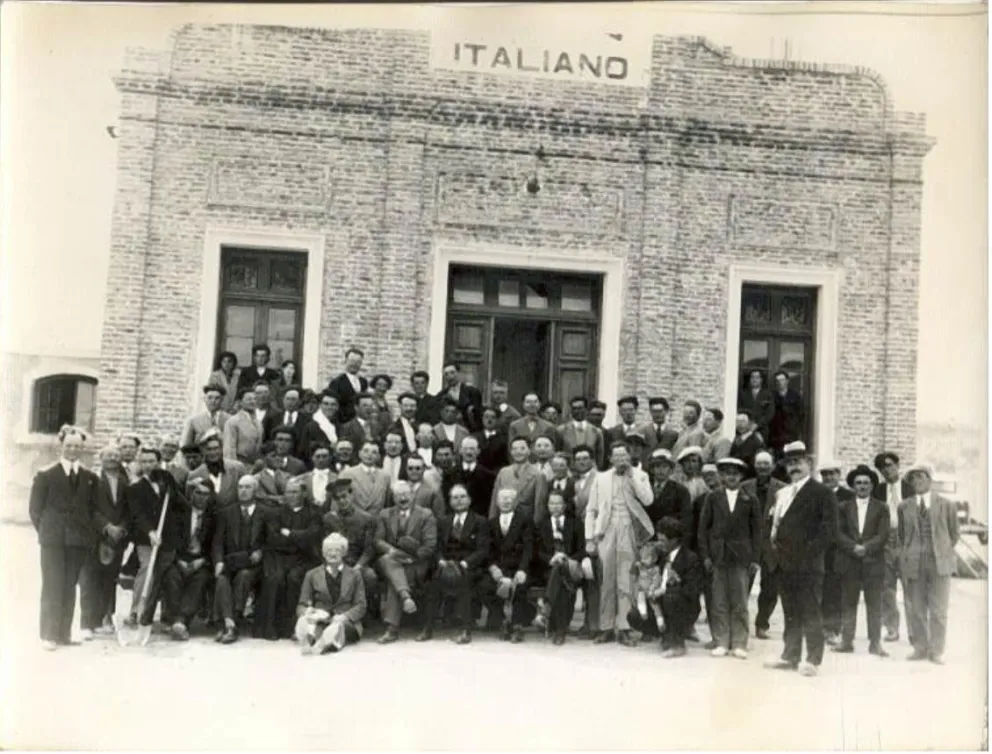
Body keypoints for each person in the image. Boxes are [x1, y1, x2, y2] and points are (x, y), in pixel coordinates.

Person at [764, 441, 838, 678]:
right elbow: (775, 525)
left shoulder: (822, 493)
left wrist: (807, 555)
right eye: (789, 464)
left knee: (810, 612)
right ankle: (790, 655)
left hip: (807, 566)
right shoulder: (783, 493)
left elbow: (828, 531)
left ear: (809, 463)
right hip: (783, 564)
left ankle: (813, 659)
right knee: (790, 612)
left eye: (798, 462)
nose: (793, 467)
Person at [29, 425, 99, 650]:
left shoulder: (89, 477)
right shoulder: (46, 474)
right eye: (69, 445)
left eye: (77, 446)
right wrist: (48, 532)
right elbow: (35, 510)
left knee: (69, 585)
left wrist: (84, 534)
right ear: (61, 445)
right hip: (53, 540)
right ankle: (49, 634)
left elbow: (92, 510)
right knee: (52, 585)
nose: (73, 450)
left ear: (83, 448)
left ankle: (63, 634)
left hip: (77, 541)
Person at [584, 440, 654, 646]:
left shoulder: (640, 475)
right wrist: (590, 538)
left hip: (629, 528)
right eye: (617, 456)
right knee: (606, 578)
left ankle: (624, 627)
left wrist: (632, 475)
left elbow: (648, 500)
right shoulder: (601, 478)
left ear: (629, 457)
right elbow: (591, 510)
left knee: (626, 578)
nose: (621, 459)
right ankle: (606, 627)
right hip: (606, 530)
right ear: (610, 459)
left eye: (624, 455)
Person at [698, 457, 761, 659]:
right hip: (718, 556)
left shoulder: (750, 499)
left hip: (741, 557)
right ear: (721, 476)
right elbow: (703, 529)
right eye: (727, 473)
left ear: (741, 476)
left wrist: (755, 558)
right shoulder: (713, 497)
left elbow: (757, 532)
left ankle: (740, 642)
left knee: (740, 601)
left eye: (735, 474)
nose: (731, 477)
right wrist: (706, 556)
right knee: (719, 600)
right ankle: (721, 641)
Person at [898, 463, 959, 664]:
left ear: (930, 480)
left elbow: (954, 534)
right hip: (914, 563)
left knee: (938, 610)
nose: (917, 481)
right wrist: (909, 555)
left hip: (939, 563)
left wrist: (941, 551)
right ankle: (920, 648)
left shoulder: (946, 505)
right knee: (916, 609)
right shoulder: (904, 506)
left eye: (920, 477)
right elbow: (902, 536)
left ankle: (936, 650)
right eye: (913, 478)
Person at [417, 484, 490, 645]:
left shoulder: (480, 521)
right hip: (446, 565)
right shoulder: (443, 521)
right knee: (432, 584)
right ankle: (427, 628)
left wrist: (465, 563)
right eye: (455, 498)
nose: (459, 501)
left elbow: (482, 550)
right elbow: (436, 547)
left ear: (469, 500)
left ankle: (465, 629)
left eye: (463, 497)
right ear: (450, 501)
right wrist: (441, 561)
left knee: (464, 582)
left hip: (469, 566)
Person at [126, 447, 187, 628]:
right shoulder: (135, 488)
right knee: (147, 569)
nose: (148, 465)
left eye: (151, 461)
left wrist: (172, 488)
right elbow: (137, 514)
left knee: (166, 573)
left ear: (159, 462)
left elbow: (183, 506)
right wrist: (150, 532)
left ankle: (165, 615)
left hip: (168, 538)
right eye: (144, 461)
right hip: (146, 539)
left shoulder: (167, 485)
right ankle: (136, 611)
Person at [833, 464, 890, 656]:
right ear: (853, 486)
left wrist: (866, 548)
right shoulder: (842, 507)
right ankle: (846, 641)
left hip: (873, 562)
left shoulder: (881, 508)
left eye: (866, 483)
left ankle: (875, 643)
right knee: (848, 603)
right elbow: (838, 533)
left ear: (872, 486)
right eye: (858, 483)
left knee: (874, 605)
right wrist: (853, 547)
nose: (862, 486)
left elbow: (883, 534)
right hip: (849, 562)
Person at [256, 478, 322, 640]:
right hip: (278, 556)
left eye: (295, 492)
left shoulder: (313, 514)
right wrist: (298, 537)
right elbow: (274, 539)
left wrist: (289, 533)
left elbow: (312, 537)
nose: (290, 496)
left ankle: (292, 626)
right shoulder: (276, 513)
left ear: (303, 493)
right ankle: (270, 627)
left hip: (305, 557)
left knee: (294, 578)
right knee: (275, 578)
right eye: (288, 492)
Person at [375, 480, 438, 644]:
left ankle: (392, 629)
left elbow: (430, 546)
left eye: (405, 494)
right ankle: (405, 597)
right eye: (398, 495)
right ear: (393, 498)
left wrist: (412, 557)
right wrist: (392, 551)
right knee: (386, 559)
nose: (403, 498)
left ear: (413, 495)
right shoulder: (385, 514)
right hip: (393, 560)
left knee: (394, 579)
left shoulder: (426, 515)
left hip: (417, 563)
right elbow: (378, 541)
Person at [79, 443, 131, 638]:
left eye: (116, 455)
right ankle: (87, 623)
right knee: (90, 579)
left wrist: (121, 528)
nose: (112, 458)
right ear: (101, 458)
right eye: (108, 455)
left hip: (117, 539)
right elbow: (89, 508)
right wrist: (107, 526)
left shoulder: (125, 482)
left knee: (110, 579)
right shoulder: (92, 480)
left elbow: (128, 509)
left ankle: (104, 619)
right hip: (95, 537)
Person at [212, 475, 268, 644]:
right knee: (222, 579)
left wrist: (262, 552)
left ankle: (229, 622)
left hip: (253, 564)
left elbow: (272, 541)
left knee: (244, 575)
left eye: (247, 487)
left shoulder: (266, 512)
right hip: (230, 561)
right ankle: (230, 623)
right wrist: (218, 561)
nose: (243, 491)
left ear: (255, 490)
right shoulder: (227, 512)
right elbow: (217, 542)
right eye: (240, 487)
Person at [635, 517, 702, 657]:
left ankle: (677, 643)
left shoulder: (690, 558)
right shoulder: (659, 555)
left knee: (671, 596)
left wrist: (676, 581)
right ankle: (666, 634)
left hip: (684, 606)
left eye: (663, 540)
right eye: (658, 539)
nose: (659, 543)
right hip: (662, 604)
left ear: (674, 540)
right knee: (634, 614)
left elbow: (693, 591)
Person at [534, 490, 591, 645]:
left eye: (558, 503)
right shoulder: (541, 525)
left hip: (573, 566)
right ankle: (560, 630)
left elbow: (583, 549)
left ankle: (546, 610)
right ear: (547, 506)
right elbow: (536, 551)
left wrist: (567, 559)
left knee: (562, 570)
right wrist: (551, 559)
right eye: (552, 503)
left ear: (565, 505)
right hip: (549, 568)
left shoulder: (576, 523)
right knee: (560, 575)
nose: (555, 506)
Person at [296, 533, 367, 655]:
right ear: (323, 553)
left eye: (337, 550)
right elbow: (301, 604)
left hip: (346, 623)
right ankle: (311, 639)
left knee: (338, 627)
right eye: (329, 550)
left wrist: (344, 616)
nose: (333, 554)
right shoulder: (311, 575)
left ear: (344, 553)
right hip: (321, 621)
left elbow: (361, 606)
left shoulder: (355, 575)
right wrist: (307, 611)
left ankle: (324, 643)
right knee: (309, 623)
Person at [161, 479, 216, 641]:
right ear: (191, 494)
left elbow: (217, 544)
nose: (201, 497)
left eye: (206, 494)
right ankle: (177, 620)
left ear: (210, 497)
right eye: (198, 493)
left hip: (202, 560)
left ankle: (180, 621)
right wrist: (179, 560)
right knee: (172, 576)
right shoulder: (179, 514)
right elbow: (171, 540)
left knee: (200, 579)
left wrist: (203, 561)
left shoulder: (215, 517)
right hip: (180, 558)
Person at [742, 451, 786, 639]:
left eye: (766, 463)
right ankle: (740, 624)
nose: (762, 467)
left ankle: (762, 625)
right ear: (754, 465)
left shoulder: (783, 489)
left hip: (771, 544)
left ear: (773, 466)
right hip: (749, 543)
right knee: (743, 585)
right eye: (759, 463)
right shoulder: (744, 487)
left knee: (770, 587)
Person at [321, 478, 379, 619]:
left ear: (351, 495)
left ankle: (367, 613)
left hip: (358, 562)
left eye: (344, 496)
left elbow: (369, 549)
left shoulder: (367, 518)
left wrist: (359, 566)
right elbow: (324, 546)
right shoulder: (329, 519)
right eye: (337, 498)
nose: (342, 501)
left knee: (370, 576)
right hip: (336, 561)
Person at [483, 489, 536, 642]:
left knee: (520, 586)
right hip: (499, 568)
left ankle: (517, 625)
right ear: (497, 502)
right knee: (483, 586)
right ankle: (502, 621)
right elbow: (487, 549)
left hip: (518, 567)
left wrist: (523, 569)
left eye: (509, 499)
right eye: (503, 498)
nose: (506, 502)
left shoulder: (525, 521)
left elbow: (529, 548)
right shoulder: (491, 523)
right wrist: (493, 567)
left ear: (516, 502)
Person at [872, 451, 914, 643]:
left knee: (911, 587)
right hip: (885, 541)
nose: (886, 470)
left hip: (907, 541)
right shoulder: (878, 491)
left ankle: (915, 631)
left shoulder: (911, 488)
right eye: (882, 467)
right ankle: (891, 628)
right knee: (886, 587)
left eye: (889, 465)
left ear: (897, 465)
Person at [818, 460, 853, 647]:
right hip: (819, 549)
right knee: (819, 588)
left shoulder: (849, 496)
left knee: (836, 590)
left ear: (839, 475)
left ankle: (833, 629)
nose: (828, 477)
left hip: (840, 550)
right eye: (825, 474)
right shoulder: (816, 494)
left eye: (832, 474)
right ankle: (819, 627)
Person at [489, 437, 550, 523]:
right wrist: (491, 522)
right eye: (514, 449)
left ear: (529, 451)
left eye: (522, 448)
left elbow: (539, 505)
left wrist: (535, 526)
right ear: (510, 452)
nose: (518, 452)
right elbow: (495, 501)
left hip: (526, 523)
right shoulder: (503, 472)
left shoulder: (538, 475)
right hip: (504, 522)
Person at [187, 429, 248, 509]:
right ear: (203, 451)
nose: (213, 453)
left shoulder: (237, 469)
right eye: (209, 449)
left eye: (216, 448)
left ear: (221, 448)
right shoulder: (195, 474)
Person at [646, 448, 692, 549]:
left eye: (664, 466)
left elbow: (686, 519)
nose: (661, 470)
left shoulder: (681, 491)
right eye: (657, 466)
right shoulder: (644, 488)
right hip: (647, 539)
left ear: (671, 470)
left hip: (670, 541)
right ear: (652, 469)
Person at [625, 542, 665, 645]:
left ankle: (661, 628)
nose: (643, 560)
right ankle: (648, 631)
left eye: (647, 557)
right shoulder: (640, 566)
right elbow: (632, 575)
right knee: (640, 609)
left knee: (656, 608)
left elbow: (658, 581)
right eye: (643, 557)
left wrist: (653, 590)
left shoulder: (657, 569)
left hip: (654, 594)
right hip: (642, 593)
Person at [340, 440, 391, 517]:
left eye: (374, 452)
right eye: (366, 451)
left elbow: (387, 505)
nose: (369, 455)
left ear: (378, 456)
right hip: (354, 520)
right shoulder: (347, 474)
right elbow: (340, 502)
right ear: (360, 454)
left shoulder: (385, 476)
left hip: (377, 520)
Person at [557, 396, 605, 470]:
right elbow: (557, 452)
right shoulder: (561, 430)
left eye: (580, 408)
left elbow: (599, 456)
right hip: (569, 471)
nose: (577, 411)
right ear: (571, 411)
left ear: (586, 410)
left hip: (590, 471)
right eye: (574, 408)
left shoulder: (596, 431)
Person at [182, 385, 232, 453]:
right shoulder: (193, 421)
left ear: (222, 400)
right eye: (210, 397)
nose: (213, 401)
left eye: (217, 398)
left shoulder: (231, 420)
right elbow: (186, 447)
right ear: (204, 399)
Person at [298, 391, 343, 466]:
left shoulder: (340, 426)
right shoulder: (310, 426)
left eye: (333, 404)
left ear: (337, 407)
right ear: (320, 405)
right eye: (326, 404)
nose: (329, 407)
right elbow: (304, 451)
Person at [455, 436, 497, 518]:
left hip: (479, 519)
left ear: (478, 451)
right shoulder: (450, 474)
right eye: (465, 449)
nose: (468, 452)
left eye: (472, 449)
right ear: (460, 450)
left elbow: (489, 502)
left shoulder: (488, 476)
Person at [325, 347, 368, 424]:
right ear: (345, 361)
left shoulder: (363, 382)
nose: (354, 364)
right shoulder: (336, 382)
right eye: (352, 361)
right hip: (342, 423)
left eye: (358, 362)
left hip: (360, 423)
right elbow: (332, 406)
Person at [438, 362, 483, 432]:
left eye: (452, 372)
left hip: (469, 431)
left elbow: (477, 416)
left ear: (459, 373)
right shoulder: (441, 395)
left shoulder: (472, 392)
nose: (450, 377)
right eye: (446, 374)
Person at [223, 388, 264, 465]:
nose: (253, 402)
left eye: (254, 399)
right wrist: (233, 466)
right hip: (239, 463)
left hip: (254, 464)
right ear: (240, 402)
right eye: (249, 399)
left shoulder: (259, 423)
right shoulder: (233, 421)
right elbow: (229, 449)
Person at [768, 370, 804, 456]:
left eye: (782, 380)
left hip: (790, 433)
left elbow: (801, 414)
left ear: (787, 381)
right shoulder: (771, 396)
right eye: (777, 381)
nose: (780, 383)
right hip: (775, 434)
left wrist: (795, 428)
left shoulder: (795, 396)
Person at [737, 369, 774, 445]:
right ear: (750, 379)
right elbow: (739, 410)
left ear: (761, 380)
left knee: (759, 449)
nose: (754, 380)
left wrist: (758, 424)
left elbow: (770, 413)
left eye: (757, 377)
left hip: (762, 430)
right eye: (752, 377)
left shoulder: (768, 394)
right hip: (744, 428)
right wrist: (748, 424)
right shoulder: (743, 394)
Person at [252, 441, 292, 507]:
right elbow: (261, 497)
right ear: (264, 458)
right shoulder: (257, 478)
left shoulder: (288, 476)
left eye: (280, 455)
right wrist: (276, 498)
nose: (278, 458)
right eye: (273, 456)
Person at [642, 397, 679, 462]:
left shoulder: (674, 434)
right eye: (654, 411)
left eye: (660, 411)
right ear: (650, 412)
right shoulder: (643, 432)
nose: (657, 415)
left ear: (666, 411)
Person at [473, 405, 509, 472]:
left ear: (497, 420)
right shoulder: (474, 438)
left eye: (493, 417)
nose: (489, 420)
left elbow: (505, 461)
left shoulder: (504, 439)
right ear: (482, 419)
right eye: (486, 417)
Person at [729, 411, 763, 478]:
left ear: (751, 423)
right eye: (737, 421)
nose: (739, 424)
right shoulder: (737, 438)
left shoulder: (756, 441)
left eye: (743, 421)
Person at [390, 392, 421, 456]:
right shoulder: (392, 428)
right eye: (405, 406)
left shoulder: (420, 427)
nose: (409, 408)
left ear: (417, 408)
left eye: (412, 406)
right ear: (400, 407)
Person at [368, 374, 396, 441]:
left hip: (385, 438)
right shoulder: (369, 401)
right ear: (374, 385)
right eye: (379, 385)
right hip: (372, 437)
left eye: (385, 386)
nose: (382, 388)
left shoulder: (388, 406)